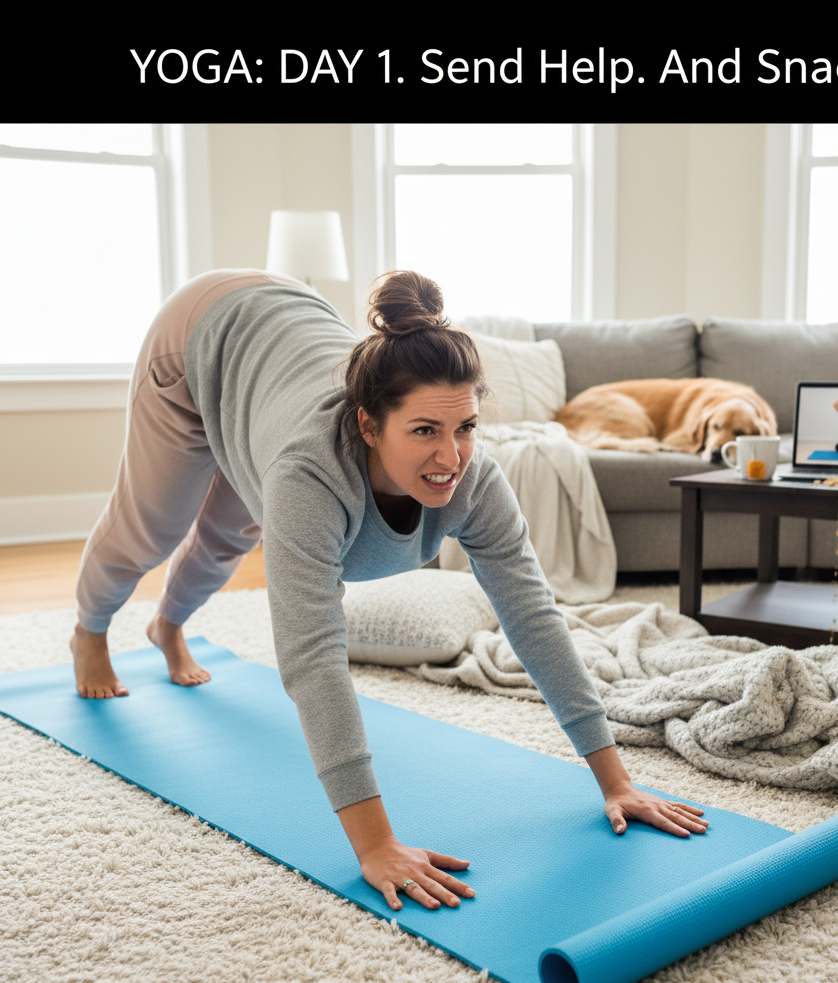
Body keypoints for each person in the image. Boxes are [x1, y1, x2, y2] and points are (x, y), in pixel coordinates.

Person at [71, 268, 708, 913]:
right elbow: (313, 658)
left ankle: (168, 628)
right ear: (370, 425)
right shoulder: (307, 480)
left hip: (277, 356)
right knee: (154, 528)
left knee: (227, 535)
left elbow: (533, 615)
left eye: (465, 427)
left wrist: (616, 781)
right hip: (200, 340)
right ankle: (89, 630)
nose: (450, 457)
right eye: (424, 430)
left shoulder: (475, 480)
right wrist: (376, 845)